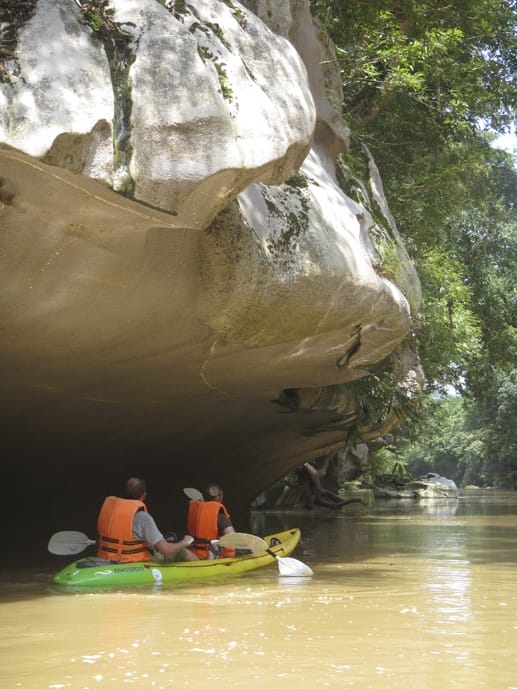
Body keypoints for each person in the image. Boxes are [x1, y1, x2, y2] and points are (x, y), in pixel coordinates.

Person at [97, 477, 198, 563]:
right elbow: (166, 551)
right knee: (182, 552)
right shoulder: (143, 518)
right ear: (144, 495)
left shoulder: (110, 512)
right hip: (132, 564)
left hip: (106, 560)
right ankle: (203, 570)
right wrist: (185, 542)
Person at [186, 482, 236, 559]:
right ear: (220, 497)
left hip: (193, 553)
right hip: (209, 556)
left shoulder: (194, 514)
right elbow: (232, 538)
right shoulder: (220, 517)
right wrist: (228, 558)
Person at [297, 462, 366, 510]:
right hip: (320, 491)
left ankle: (357, 500)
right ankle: (357, 500)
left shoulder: (313, 473)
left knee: (333, 503)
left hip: (317, 492)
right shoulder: (314, 473)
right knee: (335, 501)